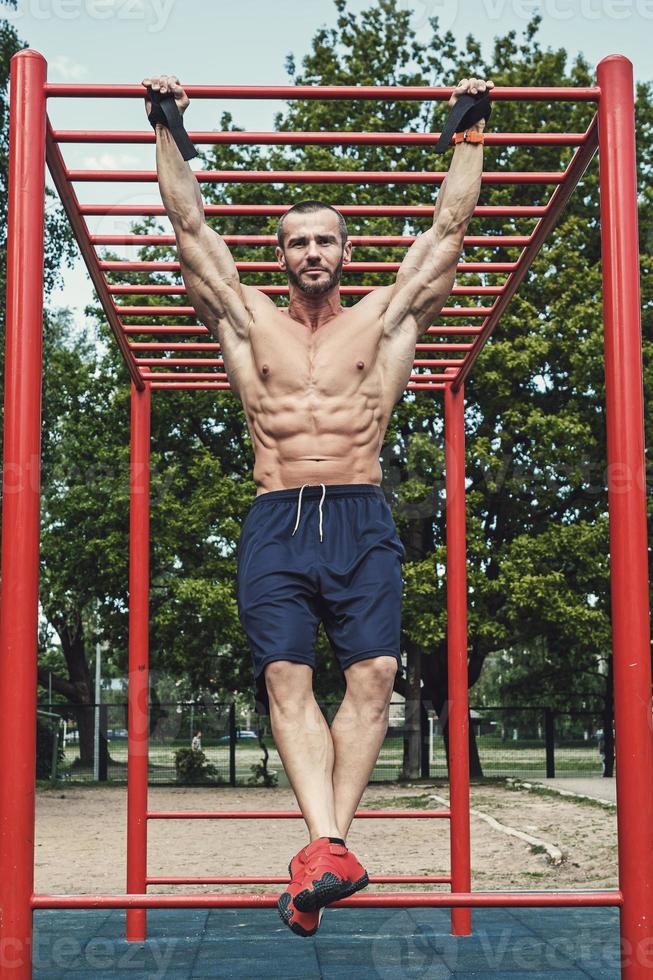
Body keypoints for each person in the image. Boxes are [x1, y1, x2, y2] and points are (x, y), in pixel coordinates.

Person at [143, 72, 493, 937]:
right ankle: (328, 846)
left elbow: (447, 233)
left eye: (324, 241)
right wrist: (166, 125)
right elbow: (190, 231)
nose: (310, 253)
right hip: (275, 515)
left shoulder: (384, 320)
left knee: (374, 678)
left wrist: (471, 129)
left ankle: (321, 858)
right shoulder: (244, 321)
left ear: (345, 251)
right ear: (279, 254)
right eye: (296, 241)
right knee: (284, 677)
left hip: (361, 511)